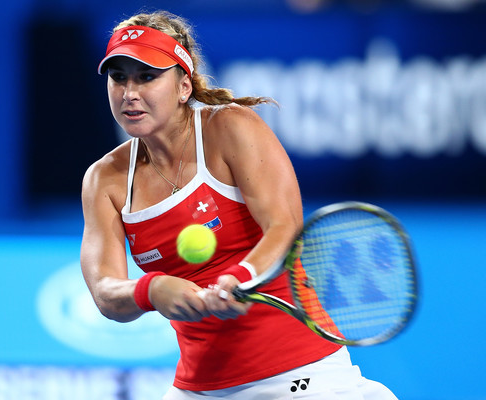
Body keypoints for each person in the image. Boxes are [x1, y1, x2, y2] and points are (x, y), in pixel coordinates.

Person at [80, 10, 398, 400]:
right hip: (200, 388)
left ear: (183, 86)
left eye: (147, 77)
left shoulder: (231, 128)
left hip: (304, 377)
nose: (130, 92)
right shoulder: (104, 179)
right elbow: (104, 291)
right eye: (119, 77)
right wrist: (153, 289)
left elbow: (285, 226)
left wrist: (241, 277)